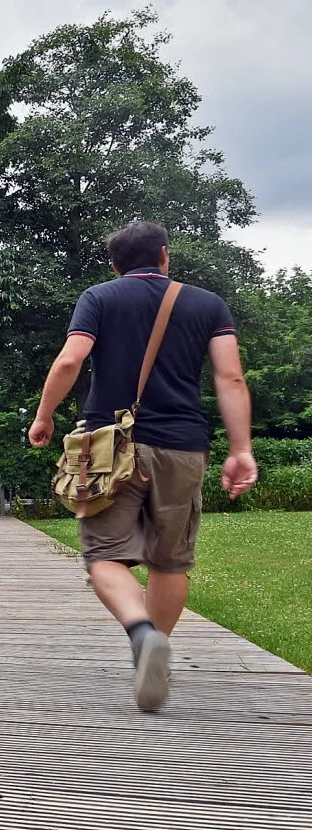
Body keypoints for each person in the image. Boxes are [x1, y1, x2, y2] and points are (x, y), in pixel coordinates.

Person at [28, 221, 257, 712]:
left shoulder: (99, 298)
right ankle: (154, 655)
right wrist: (242, 449)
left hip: (109, 446)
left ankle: (142, 633)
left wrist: (44, 416)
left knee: (104, 556)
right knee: (170, 559)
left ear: (116, 265)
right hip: (182, 446)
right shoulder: (207, 304)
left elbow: (71, 360)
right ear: (164, 256)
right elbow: (230, 377)